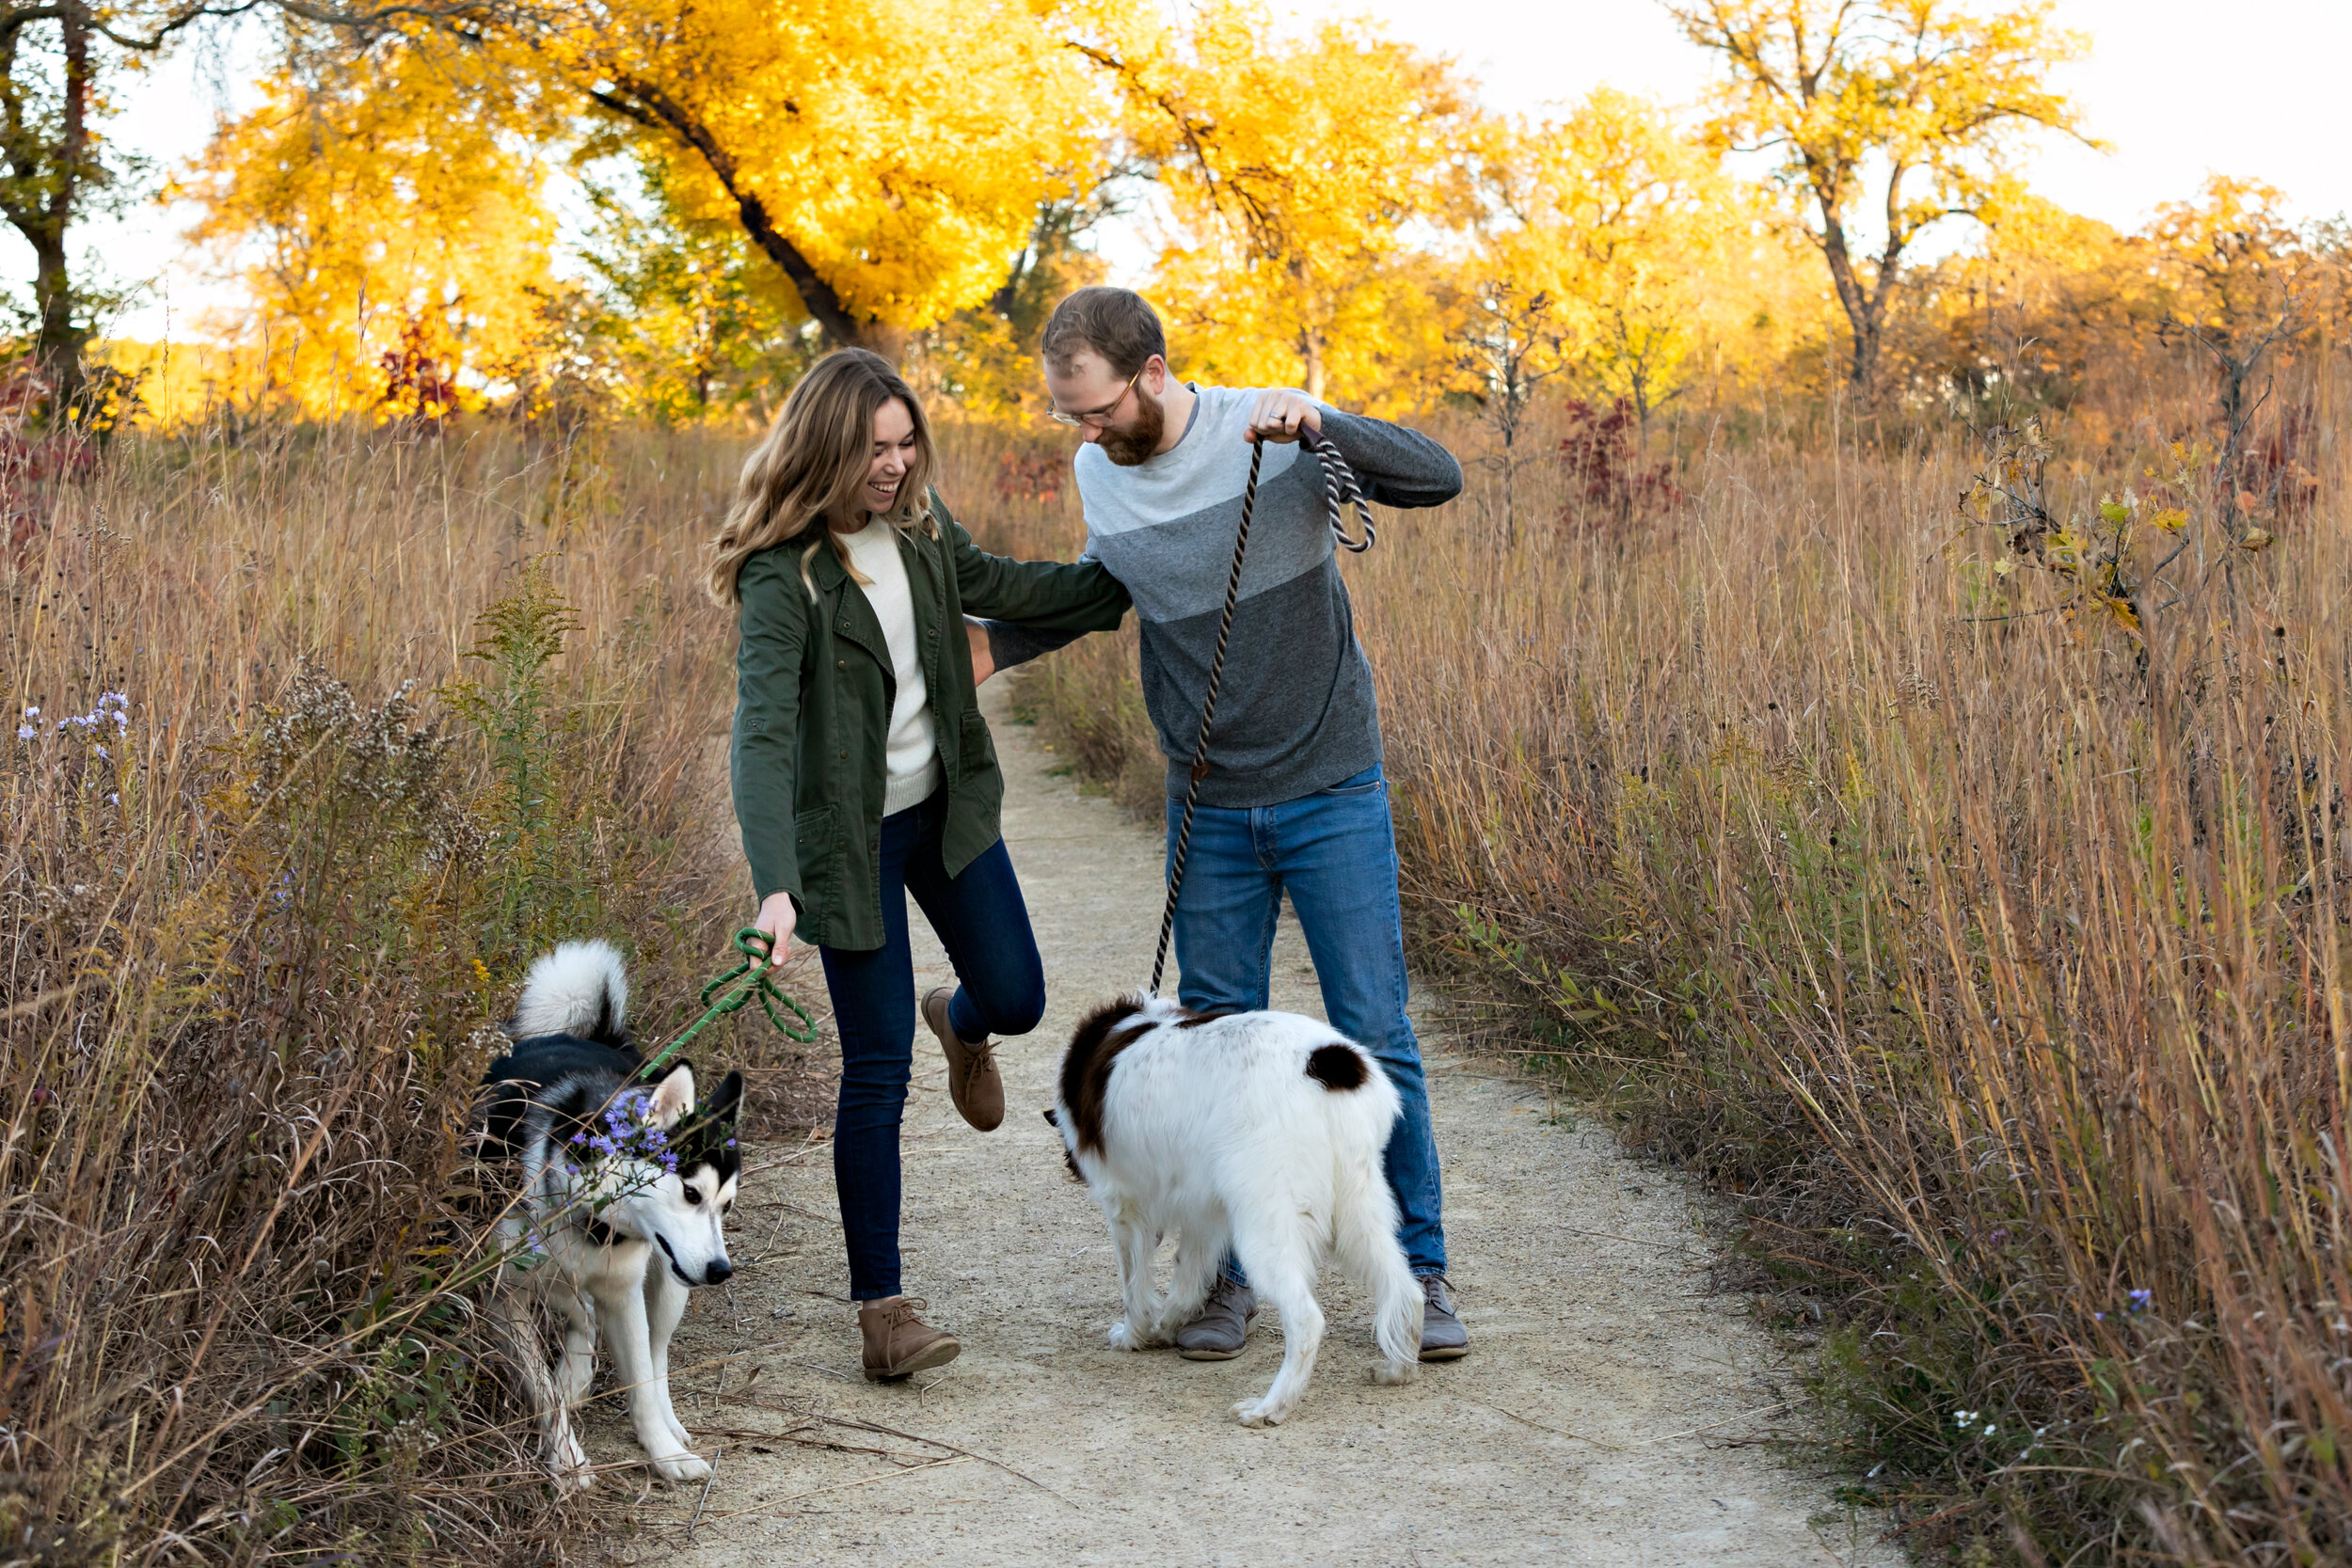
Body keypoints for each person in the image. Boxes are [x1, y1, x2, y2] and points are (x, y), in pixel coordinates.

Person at [979, 286, 1472, 1362]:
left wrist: (1324, 423)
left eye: (1099, 409)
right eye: (1070, 416)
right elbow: (1107, 587)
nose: (1087, 434)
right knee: (1211, 1049)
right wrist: (989, 649)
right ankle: (1225, 1283)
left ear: (1151, 371)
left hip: (1331, 783)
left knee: (1374, 1030)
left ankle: (1421, 1268)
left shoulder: (1274, 427)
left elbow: (1438, 475)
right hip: (1205, 797)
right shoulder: (1094, 471)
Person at [714, 347, 1129, 1382]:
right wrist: (774, 886)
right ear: (825, 448)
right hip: (847, 847)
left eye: (905, 445)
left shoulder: (923, 525)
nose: (895, 466)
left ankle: (965, 1022)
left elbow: (1003, 587)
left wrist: (1129, 580)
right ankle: (883, 1310)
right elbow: (760, 734)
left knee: (1021, 995)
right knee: (875, 1071)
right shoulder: (786, 572)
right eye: (873, 451)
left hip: (944, 812)